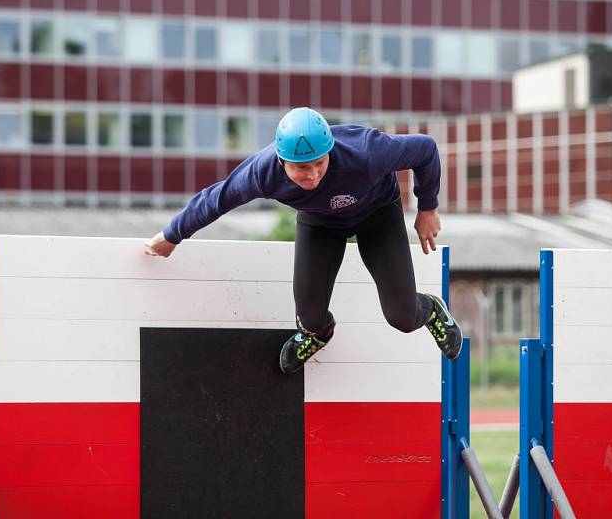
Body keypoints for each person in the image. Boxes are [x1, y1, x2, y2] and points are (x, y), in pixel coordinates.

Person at [145, 107, 462, 374]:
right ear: (282, 161)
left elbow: (426, 149)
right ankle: (319, 334)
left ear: (330, 152)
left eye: (320, 163)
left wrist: (428, 207)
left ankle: (432, 310)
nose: (312, 175)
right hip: (320, 222)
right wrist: (172, 235)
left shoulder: (366, 151)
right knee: (308, 318)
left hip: (377, 213)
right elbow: (216, 199)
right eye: (301, 168)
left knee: (402, 317)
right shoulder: (262, 172)